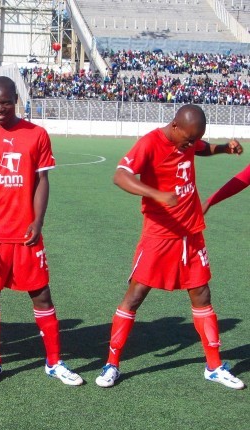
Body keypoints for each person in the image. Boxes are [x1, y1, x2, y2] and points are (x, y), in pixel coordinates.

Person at [95, 104, 245, 389]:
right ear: (175, 125)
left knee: (201, 294)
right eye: (187, 138)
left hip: (191, 233)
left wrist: (224, 148)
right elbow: (120, 175)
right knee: (136, 295)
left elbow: (200, 148)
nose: (190, 143)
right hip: (159, 235)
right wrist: (156, 194)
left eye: (194, 138)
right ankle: (111, 364)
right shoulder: (150, 143)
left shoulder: (187, 140)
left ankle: (214, 366)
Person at [0, 76, 83, 386]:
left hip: (25, 232)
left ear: (17, 100)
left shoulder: (36, 135)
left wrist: (38, 221)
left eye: (5, 102)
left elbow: (42, 181)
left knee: (41, 295)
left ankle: (54, 362)